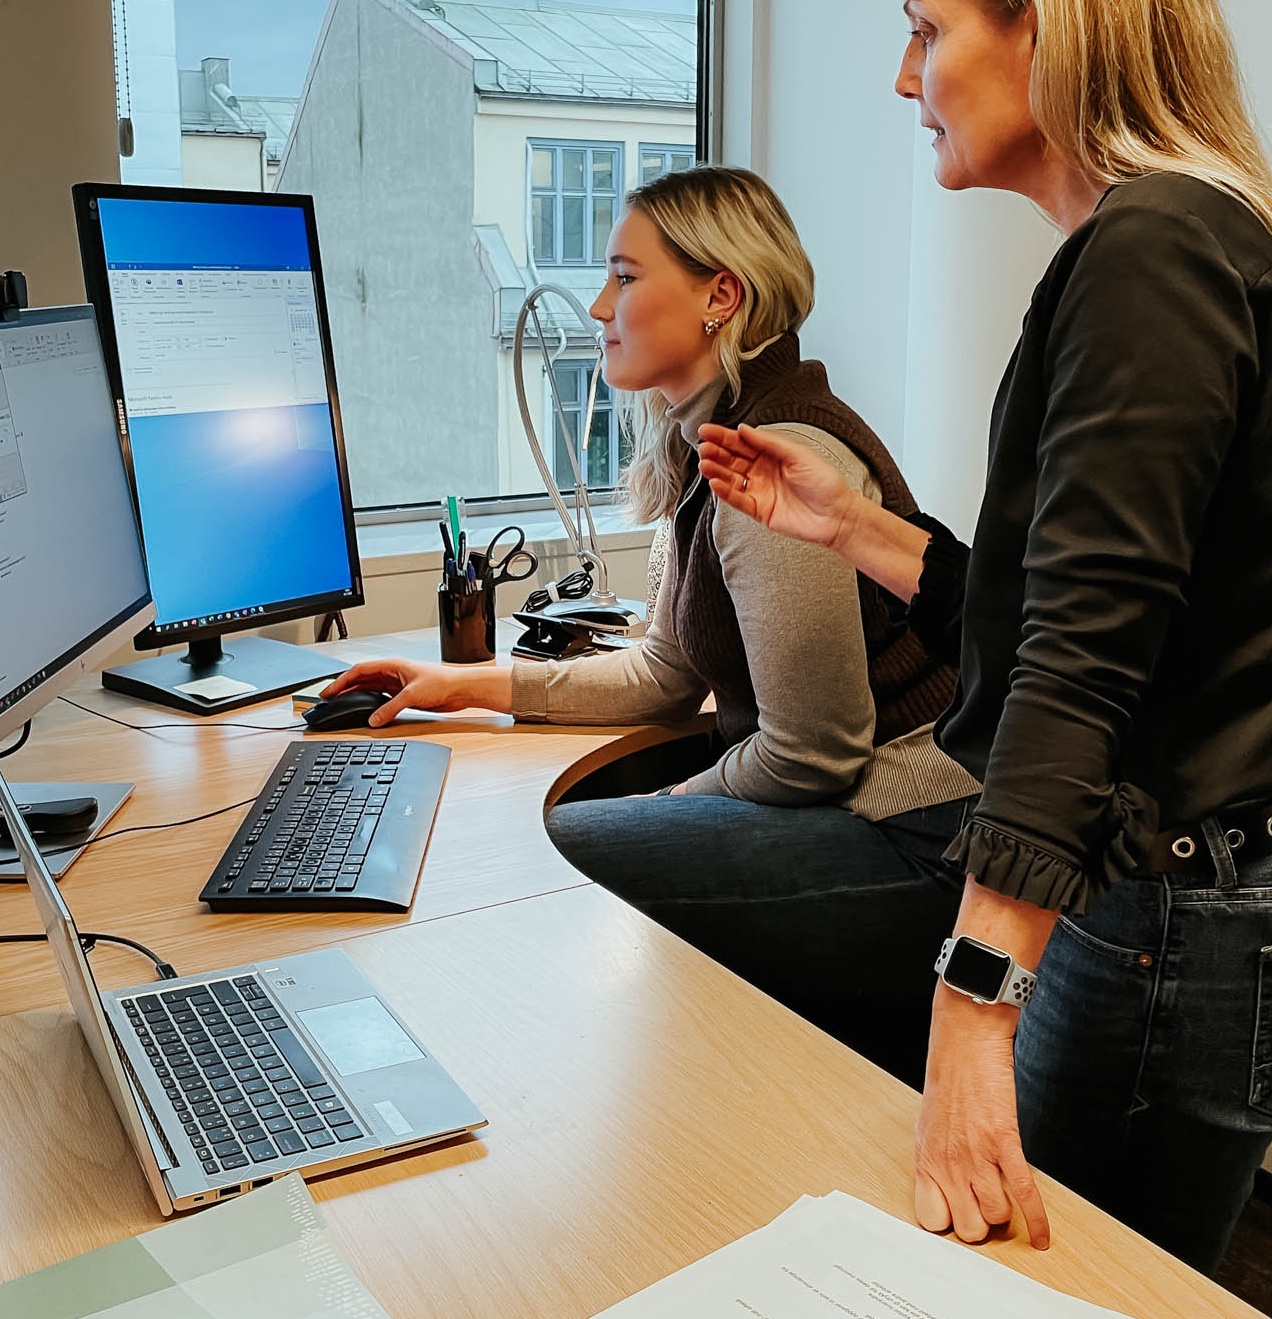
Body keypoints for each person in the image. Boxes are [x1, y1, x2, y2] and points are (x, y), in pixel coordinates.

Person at [698, 0, 1272, 1275]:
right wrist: (854, 527)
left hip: (1177, 912)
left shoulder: (1155, 250)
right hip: (1189, 887)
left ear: (1041, 23)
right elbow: (1090, 605)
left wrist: (971, 994)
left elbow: (1088, 656)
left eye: (924, 28)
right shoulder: (1169, 238)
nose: (901, 75)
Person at [321, 165, 977, 1083]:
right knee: (555, 832)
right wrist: (463, 687)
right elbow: (665, 671)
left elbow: (814, 753)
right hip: (852, 804)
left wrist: (663, 809)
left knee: (545, 850)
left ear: (721, 295)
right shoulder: (710, 443)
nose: (597, 307)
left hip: (912, 831)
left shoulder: (773, 466)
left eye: (624, 278)